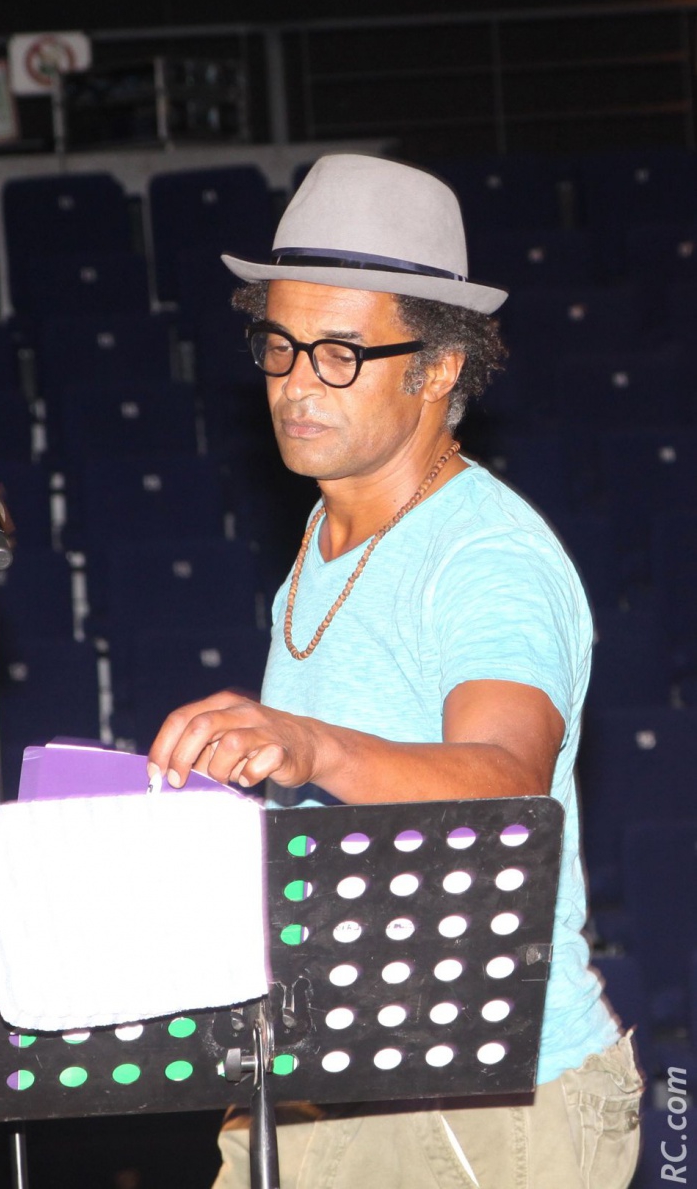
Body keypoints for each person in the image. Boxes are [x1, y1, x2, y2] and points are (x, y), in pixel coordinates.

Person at [148, 154, 643, 1189]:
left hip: (480, 1106)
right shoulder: (328, 531)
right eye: (279, 345)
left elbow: (508, 781)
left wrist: (312, 745)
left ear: (439, 368)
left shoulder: (484, 556)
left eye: (340, 353)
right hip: (329, 1071)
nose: (295, 383)